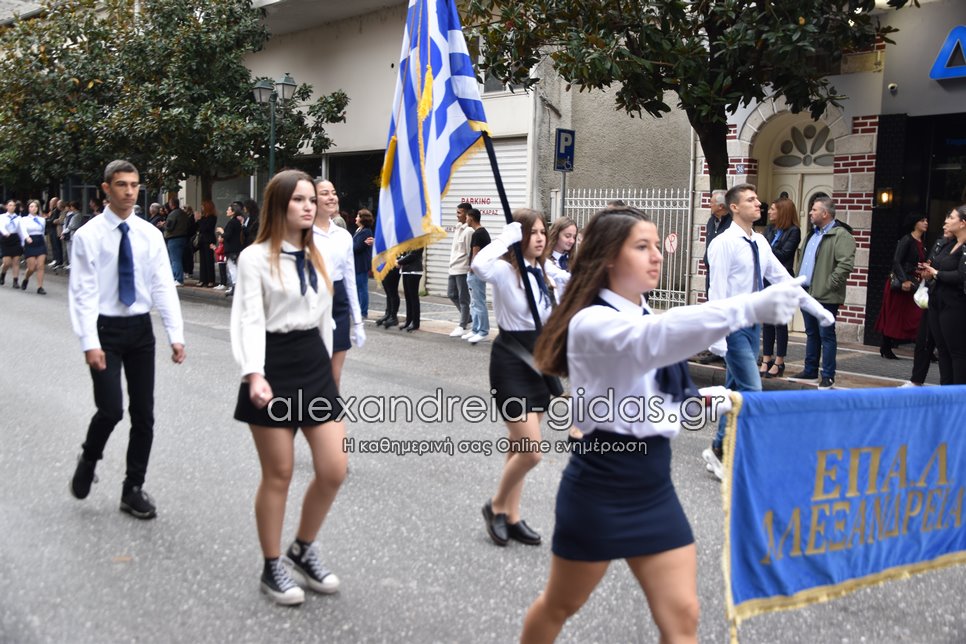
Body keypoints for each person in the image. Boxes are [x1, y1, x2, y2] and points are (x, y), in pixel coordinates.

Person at [521, 206, 803, 643]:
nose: (656, 255)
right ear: (608, 258)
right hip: (600, 488)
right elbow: (653, 341)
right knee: (560, 604)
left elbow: (654, 401)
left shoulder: (643, 312)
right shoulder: (591, 322)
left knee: (683, 615)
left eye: (656, 246)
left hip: (654, 489)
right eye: (642, 246)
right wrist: (747, 307)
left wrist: (708, 401)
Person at [231, 169, 345, 606]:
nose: (308, 206)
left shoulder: (321, 254)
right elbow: (248, 318)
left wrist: (330, 370)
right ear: (279, 205)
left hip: (313, 363)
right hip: (273, 364)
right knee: (278, 473)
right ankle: (272, 563)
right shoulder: (255, 257)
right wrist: (254, 373)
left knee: (334, 469)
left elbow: (325, 317)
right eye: (299, 199)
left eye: (311, 199)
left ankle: (303, 547)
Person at [67, 160, 186, 520]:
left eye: (134, 185)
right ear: (106, 189)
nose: (130, 191)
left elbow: (162, 285)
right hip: (104, 330)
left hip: (140, 331)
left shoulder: (149, 234)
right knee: (111, 409)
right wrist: (89, 342)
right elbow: (82, 293)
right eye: (122, 184)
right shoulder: (88, 236)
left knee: (144, 414)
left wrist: (175, 335)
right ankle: (90, 456)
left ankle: (132, 488)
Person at [703, 186, 829, 480]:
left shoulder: (759, 241)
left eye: (757, 198)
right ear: (734, 207)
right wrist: (717, 338)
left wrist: (815, 308)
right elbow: (716, 291)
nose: (758, 203)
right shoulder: (723, 244)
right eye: (750, 200)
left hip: (753, 325)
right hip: (732, 326)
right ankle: (741, 455)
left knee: (735, 391)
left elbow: (783, 279)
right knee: (752, 391)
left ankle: (719, 449)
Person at [471, 209, 565, 548]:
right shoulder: (503, 270)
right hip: (511, 360)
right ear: (519, 236)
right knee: (531, 452)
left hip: (539, 363)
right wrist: (504, 239)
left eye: (542, 232)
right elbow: (478, 265)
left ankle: (511, 516)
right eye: (532, 232)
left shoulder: (545, 271)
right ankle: (496, 505)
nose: (539, 237)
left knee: (517, 447)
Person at [789, 196, 855, 390]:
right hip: (806, 292)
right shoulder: (812, 234)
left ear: (825, 213)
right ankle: (810, 370)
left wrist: (829, 285)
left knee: (826, 335)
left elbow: (845, 264)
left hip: (826, 295)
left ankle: (827, 376)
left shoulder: (841, 235)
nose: (810, 213)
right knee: (811, 333)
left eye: (814, 210)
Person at [313, 179, 365, 388]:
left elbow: (350, 279)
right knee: (314, 375)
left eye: (333, 192)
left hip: (338, 301)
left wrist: (358, 321)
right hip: (311, 303)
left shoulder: (343, 236)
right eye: (324, 193)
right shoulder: (301, 234)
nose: (331, 197)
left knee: (334, 378)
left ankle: (329, 408)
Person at [919, 204, 966, 384]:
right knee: (942, 350)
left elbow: (961, 275)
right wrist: (928, 272)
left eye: (951, 218)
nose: (946, 221)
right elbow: (936, 265)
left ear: (962, 223)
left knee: (957, 352)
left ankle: (958, 395)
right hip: (937, 301)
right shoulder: (949, 244)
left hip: (955, 304)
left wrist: (937, 273)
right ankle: (945, 391)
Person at [875, 213, 927, 359]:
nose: (926, 223)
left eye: (926, 220)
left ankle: (924, 348)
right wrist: (904, 280)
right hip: (901, 285)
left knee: (915, 316)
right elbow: (897, 261)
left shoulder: (921, 242)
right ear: (915, 223)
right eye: (922, 220)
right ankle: (886, 346)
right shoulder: (907, 239)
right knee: (894, 315)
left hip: (912, 284)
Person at [760, 198, 801, 377]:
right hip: (766, 279)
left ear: (782, 211)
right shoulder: (769, 229)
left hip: (782, 280)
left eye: (773, 209)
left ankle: (779, 361)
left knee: (780, 322)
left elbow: (784, 254)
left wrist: (765, 248)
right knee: (767, 321)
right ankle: (766, 358)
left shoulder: (794, 231)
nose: (769, 212)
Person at [695, 189, 731, 365]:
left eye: (711, 202)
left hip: (725, 274)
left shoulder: (731, 224)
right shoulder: (711, 221)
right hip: (712, 271)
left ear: (721, 206)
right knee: (714, 310)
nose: (709, 204)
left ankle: (728, 352)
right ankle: (716, 348)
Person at [447, 202, 474, 338]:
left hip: (462, 268)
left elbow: (470, 252)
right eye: (457, 212)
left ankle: (462, 325)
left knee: (464, 299)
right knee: (451, 294)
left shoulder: (469, 231)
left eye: (460, 212)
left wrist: (470, 268)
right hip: (453, 267)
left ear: (467, 214)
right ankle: (468, 318)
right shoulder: (458, 228)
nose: (457, 215)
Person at [465, 208, 491, 344]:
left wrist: (471, 269)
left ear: (471, 218)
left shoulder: (478, 234)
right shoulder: (484, 233)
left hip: (476, 272)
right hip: (481, 271)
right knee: (475, 302)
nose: (466, 220)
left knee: (478, 302)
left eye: (467, 217)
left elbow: (475, 253)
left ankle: (483, 331)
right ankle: (475, 329)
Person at [17, 199, 49, 294]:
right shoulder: (24, 219)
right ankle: (26, 278)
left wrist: (44, 241)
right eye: (31, 206)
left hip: (40, 242)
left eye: (35, 206)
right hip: (30, 241)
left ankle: (40, 287)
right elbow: (23, 230)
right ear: (28, 208)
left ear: (38, 208)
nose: (33, 208)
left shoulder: (42, 220)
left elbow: (42, 232)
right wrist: (27, 238)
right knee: (32, 267)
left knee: (40, 265)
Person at [352, 209, 375, 318]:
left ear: (363, 219)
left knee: (362, 288)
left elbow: (356, 247)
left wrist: (350, 246)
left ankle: (363, 311)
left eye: (358, 216)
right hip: (356, 263)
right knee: (358, 287)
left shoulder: (366, 232)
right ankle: (358, 309)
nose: (356, 218)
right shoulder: (359, 230)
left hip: (361, 263)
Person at [163, 197, 190, 285]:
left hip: (174, 238)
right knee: (178, 259)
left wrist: (164, 225)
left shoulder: (173, 214)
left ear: (172, 204)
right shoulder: (184, 214)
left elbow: (169, 227)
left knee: (175, 260)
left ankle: (178, 279)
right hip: (183, 238)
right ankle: (177, 278)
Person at [397, 248, 423, 331]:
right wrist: (399, 259)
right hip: (406, 270)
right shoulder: (408, 241)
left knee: (413, 297)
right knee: (408, 297)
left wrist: (399, 261)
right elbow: (404, 253)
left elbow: (413, 255)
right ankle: (408, 320)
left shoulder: (418, 242)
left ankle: (415, 322)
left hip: (414, 271)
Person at [223, 202, 246, 296]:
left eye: (228, 210)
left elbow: (228, 235)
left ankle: (235, 287)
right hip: (236, 248)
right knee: (235, 268)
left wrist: (222, 232)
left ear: (233, 212)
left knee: (232, 268)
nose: (227, 211)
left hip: (231, 248)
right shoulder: (237, 222)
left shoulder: (232, 222)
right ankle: (236, 286)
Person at [1, 199, 24, 288]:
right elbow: (1, 226)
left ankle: (15, 281)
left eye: (13, 205)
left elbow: (21, 231)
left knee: (16, 261)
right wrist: (5, 232)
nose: (12, 207)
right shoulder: (2, 217)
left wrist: (23, 242)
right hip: (6, 238)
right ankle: (2, 274)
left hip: (15, 239)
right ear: (7, 206)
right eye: (10, 205)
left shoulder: (18, 218)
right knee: (7, 262)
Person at [195, 200, 218, 288]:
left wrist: (199, 220)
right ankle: (203, 279)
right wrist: (197, 220)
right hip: (202, 240)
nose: (202, 208)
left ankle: (211, 280)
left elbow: (205, 228)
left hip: (208, 240)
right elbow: (198, 228)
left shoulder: (212, 217)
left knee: (209, 260)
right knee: (203, 261)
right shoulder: (204, 217)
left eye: (203, 206)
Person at [375, 259, 401, 329]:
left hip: (393, 266)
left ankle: (393, 316)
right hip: (384, 265)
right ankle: (388, 314)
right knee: (388, 293)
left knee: (392, 292)